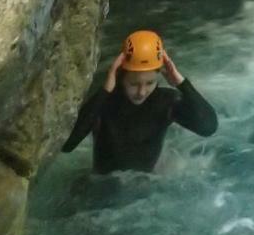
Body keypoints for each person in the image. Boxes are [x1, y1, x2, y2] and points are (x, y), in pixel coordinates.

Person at [62, 29, 218, 174]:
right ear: (120, 77)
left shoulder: (165, 102)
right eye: (134, 84)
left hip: (143, 191)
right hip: (102, 188)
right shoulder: (105, 103)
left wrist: (181, 83)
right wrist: (105, 90)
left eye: (150, 83)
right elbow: (68, 145)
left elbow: (208, 127)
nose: (142, 92)